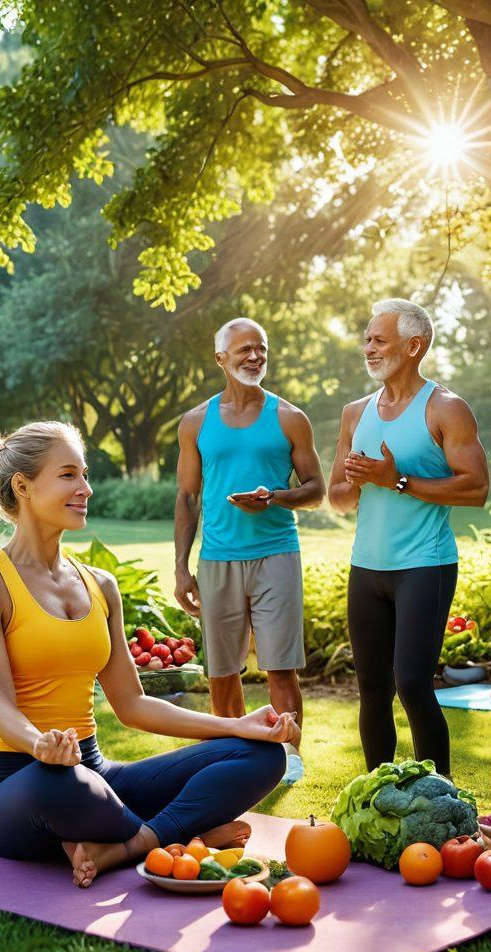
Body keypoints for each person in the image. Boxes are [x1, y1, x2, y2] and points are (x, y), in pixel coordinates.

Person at [0, 421, 298, 888]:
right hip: (18, 785)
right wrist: (40, 745)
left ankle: (131, 842)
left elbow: (132, 704)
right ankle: (183, 832)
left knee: (262, 756)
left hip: (94, 771)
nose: (86, 489)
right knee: (63, 782)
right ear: (23, 486)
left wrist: (235, 726)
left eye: (85, 474)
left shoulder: (101, 584)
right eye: (69, 475)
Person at [328, 299, 489, 779]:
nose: (368, 348)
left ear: (413, 346)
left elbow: (476, 489)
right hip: (368, 568)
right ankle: (378, 795)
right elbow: (338, 498)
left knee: (414, 684)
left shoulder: (446, 407)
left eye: (379, 340)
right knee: (372, 687)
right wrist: (360, 480)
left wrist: (397, 479)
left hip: (425, 565)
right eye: (368, 338)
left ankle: (440, 797)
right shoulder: (355, 413)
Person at [174, 317, 324, 785]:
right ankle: (232, 757)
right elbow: (187, 498)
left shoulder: (288, 418)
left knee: (280, 667)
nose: (254, 357)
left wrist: (275, 496)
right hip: (217, 560)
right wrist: (181, 568)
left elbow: (316, 488)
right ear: (221, 358)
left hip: (277, 553)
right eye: (244, 350)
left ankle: (288, 758)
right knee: (222, 672)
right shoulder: (196, 422)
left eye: (261, 348)